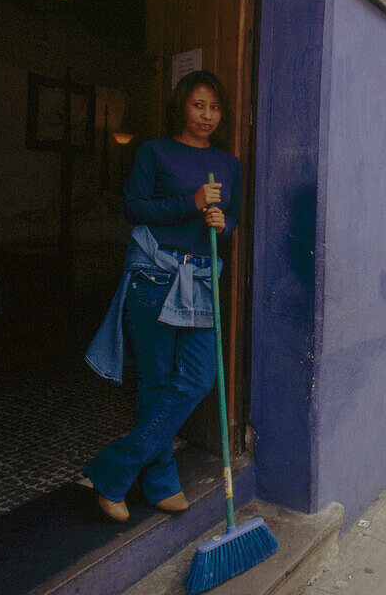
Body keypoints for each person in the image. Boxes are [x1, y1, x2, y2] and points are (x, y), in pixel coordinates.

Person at [83, 70, 242, 523]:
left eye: (214, 107)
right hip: (154, 276)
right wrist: (189, 204)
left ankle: (113, 468)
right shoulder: (154, 152)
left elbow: (231, 219)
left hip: (200, 279)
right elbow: (133, 207)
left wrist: (222, 225)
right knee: (156, 379)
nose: (207, 115)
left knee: (198, 378)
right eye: (198, 105)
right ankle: (160, 482)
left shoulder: (229, 164)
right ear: (182, 107)